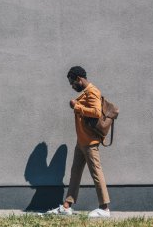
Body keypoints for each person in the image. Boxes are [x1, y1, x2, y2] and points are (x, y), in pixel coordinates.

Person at [47, 66, 110, 218]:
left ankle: (104, 208)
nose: (71, 86)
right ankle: (67, 206)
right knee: (75, 173)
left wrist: (77, 107)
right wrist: (78, 104)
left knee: (96, 173)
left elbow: (96, 112)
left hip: (90, 142)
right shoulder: (85, 93)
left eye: (72, 82)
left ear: (79, 79)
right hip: (81, 141)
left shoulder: (92, 91)